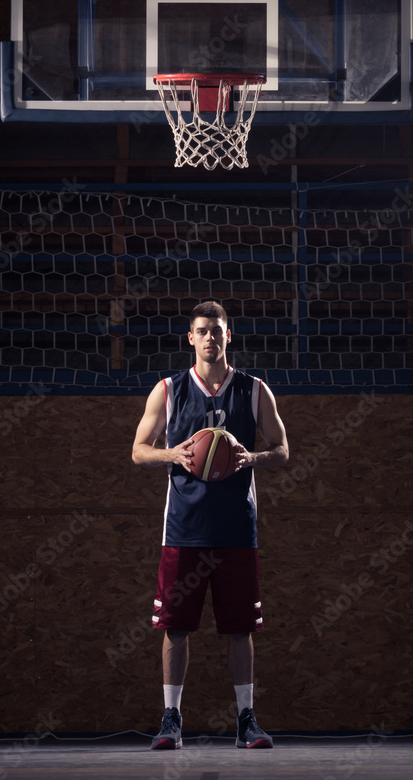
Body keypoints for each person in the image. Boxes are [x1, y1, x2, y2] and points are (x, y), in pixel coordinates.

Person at [132, 300, 289, 750]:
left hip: (237, 528)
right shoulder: (169, 389)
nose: (210, 338)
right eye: (202, 331)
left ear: (228, 336)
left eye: (217, 331)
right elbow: (139, 449)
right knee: (175, 627)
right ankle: (171, 720)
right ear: (190, 338)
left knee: (240, 628)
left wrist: (252, 456)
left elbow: (282, 449)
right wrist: (173, 453)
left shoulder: (254, 389)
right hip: (183, 527)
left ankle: (246, 720)